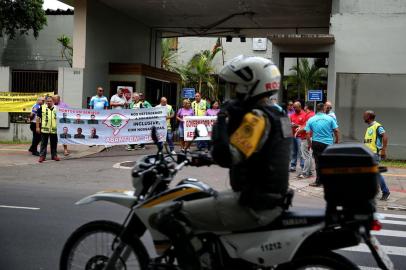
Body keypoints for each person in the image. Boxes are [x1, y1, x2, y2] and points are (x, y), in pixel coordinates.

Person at [150, 56, 292, 270]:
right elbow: (251, 154)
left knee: (171, 215)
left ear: (250, 86)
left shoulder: (256, 119)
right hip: (268, 199)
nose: (233, 93)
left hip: (254, 205)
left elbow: (227, 156)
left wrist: (221, 122)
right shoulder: (277, 115)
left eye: (236, 87)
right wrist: (203, 158)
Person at [305, 103, 340, 187]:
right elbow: (336, 130)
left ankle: (318, 181)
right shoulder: (330, 119)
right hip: (328, 143)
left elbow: (307, 134)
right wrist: (337, 141)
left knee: (318, 162)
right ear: (324, 109)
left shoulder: (311, 119)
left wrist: (310, 144)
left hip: (316, 143)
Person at [363, 110, 390, 200]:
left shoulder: (377, 126)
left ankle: (385, 191)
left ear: (369, 117)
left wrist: (383, 150)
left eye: (365, 115)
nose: (363, 117)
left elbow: (385, 136)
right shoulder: (369, 128)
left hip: (374, 154)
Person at [36, 96, 60, 162]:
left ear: (53, 101)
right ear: (46, 102)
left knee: (54, 144)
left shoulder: (57, 109)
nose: (49, 102)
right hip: (44, 129)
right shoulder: (42, 108)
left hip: (54, 129)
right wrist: (37, 127)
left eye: (50, 101)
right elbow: (38, 118)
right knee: (43, 144)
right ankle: (42, 157)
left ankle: (54, 156)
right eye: (47, 101)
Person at [296, 102, 315, 178]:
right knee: (309, 155)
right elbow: (306, 125)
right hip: (311, 137)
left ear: (306, 107)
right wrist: (300, 127)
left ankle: (305, 173)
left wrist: (299, 130)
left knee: (306, 156)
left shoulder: (309, 115)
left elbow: (306, 128)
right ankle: (309, 172)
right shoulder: (312, 114)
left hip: (306, 137)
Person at [289, 101, 306, 172]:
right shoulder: (292, 115)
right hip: (293, 136)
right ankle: (293, 166)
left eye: (295, 107)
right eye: (294, 107)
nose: (294, 108)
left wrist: (297, 125)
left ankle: (302, 166)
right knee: (293, 151)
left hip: (300, 136)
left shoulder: (304, 115)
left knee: (301, 152)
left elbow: (305, 126)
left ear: (300, 107)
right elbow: (289, 124)